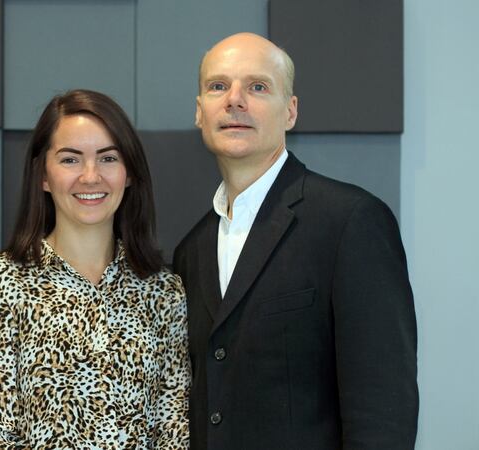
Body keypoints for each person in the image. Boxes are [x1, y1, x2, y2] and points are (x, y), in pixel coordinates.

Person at [173, 32, 418, 449]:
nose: (234, 100)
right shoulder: (190, 251)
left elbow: (382, 411)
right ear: (199, 112)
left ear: (290, 111)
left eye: (257, 87)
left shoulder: (351, 222)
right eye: (218, 86)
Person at [0, 89, 190, 448]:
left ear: (129, 173)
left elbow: (172, 426)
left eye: (108, 158)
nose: (90, 176)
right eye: (70, 160)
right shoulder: (3, 281)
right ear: (44, 176)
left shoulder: (162, 290)